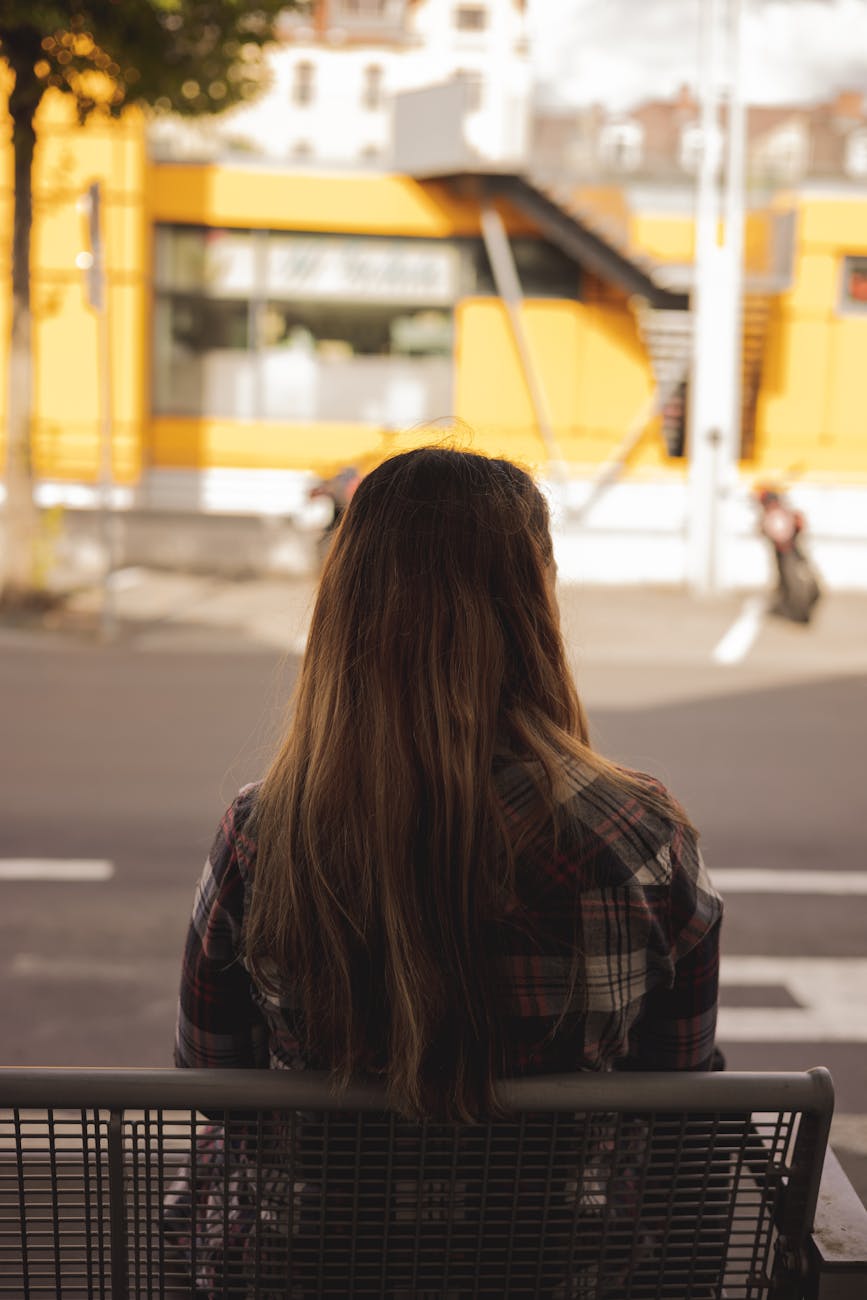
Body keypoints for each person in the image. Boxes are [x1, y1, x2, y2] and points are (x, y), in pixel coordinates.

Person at [170, 447, 723, 1294]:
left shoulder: (264, 832)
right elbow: (680, 1101)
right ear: (534, 604)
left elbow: (214, 1080)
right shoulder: (641, 832)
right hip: (555, 1270)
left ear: (347, 604)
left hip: (316, 1269)